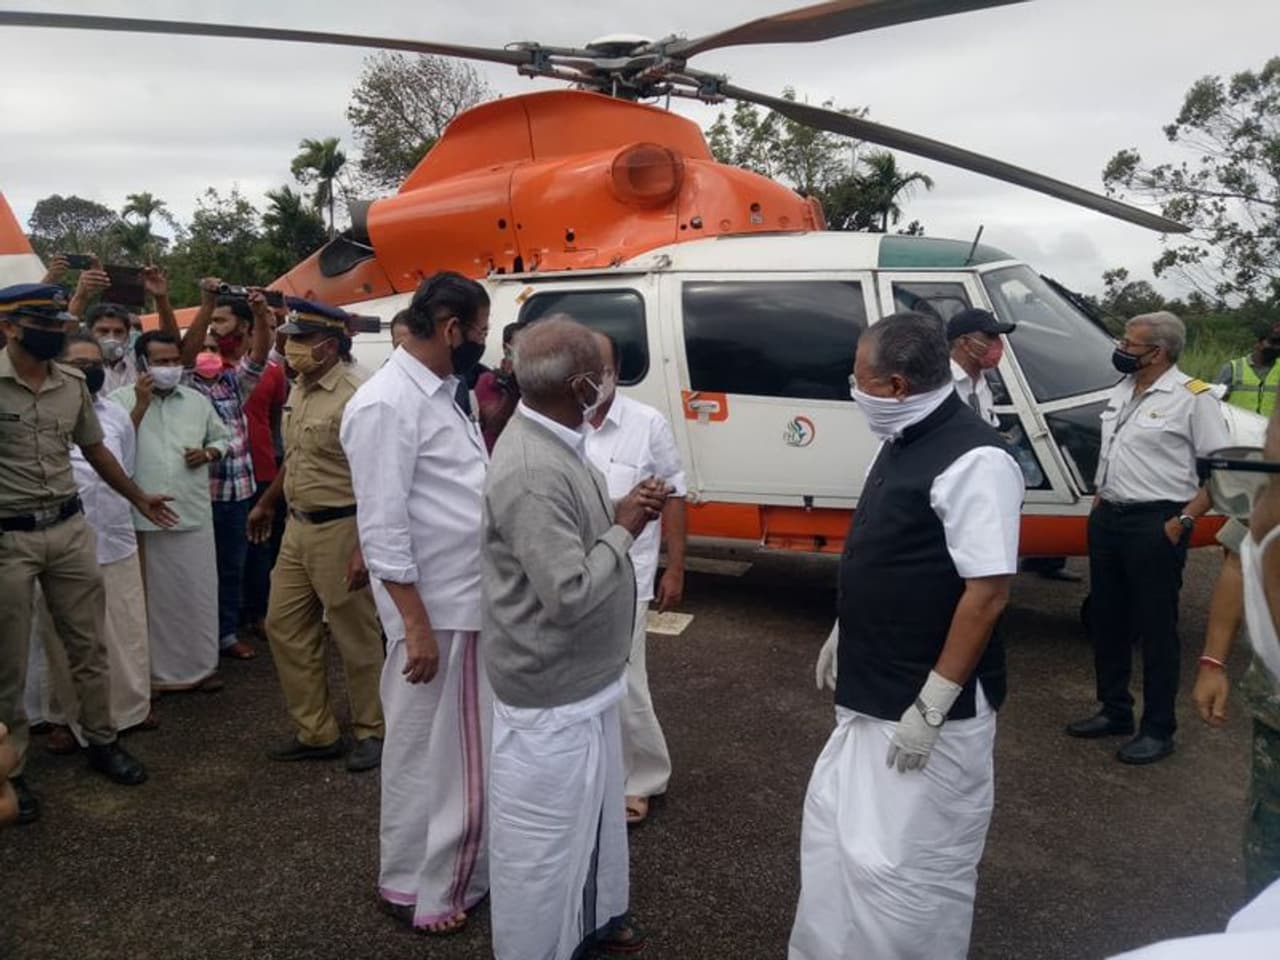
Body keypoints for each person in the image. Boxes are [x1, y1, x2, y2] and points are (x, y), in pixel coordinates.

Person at [796, 311, 1023, 960]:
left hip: (928, 716)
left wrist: (932, 705)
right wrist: (849, 622)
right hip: (874, 691)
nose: (853, 388)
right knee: (842, 851)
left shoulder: (976, 460)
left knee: (907, 874)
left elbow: (988, 593)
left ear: (896, 385)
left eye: (859, 378)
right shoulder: (900, 439)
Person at [483, 316, 667, 960]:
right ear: (584, 384)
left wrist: (617, 524)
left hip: (584, 685)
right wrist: (626, 527)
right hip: (550, 695)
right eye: (605, 370)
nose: (610, 382)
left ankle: (593, 920)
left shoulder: (559, 436)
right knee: (542, 845)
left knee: (591, 826)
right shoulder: (534, 468)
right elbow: (567, 596)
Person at [340, 272, 493, 934]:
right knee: (439, 757)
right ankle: (427, 887)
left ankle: (417, 878)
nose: (483, 345)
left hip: (459, 602)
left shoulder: (441, 394)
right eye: (481, 332)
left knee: (436, 754)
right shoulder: (388, 403)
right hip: (439, 612)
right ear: (453, 327)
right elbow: (383, 526)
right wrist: (416, 626)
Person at [1, 284, 178, 825]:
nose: (56, 329)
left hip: (71, 527)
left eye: (58, 320)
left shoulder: (71, 383)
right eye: (44, 322)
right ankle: (12, 773)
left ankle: (102, 743)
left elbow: (96, 449)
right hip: (9, 537)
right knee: (8, 660)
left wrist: (138, 496)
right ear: (11, 327)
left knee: (89, 643)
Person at [1066, 311, 1231, 764]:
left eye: (1129, 343)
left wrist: (1184, 520)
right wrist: (1101, 498)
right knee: (1108, 618)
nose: (1121, 348)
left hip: (1157, 522)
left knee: (1157, 628)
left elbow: (1220, 472)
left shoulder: (1193, 398)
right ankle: (1114, 709)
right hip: (1110, 518)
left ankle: (1159, 728)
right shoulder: (1123, 390)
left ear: (1158, 352)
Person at [250, 298, 385, 773]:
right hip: (298, 527)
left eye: (300, 340)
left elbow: (379, 479)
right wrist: (268, 501)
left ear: (329, 346)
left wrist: (365, 547)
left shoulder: (358, 394)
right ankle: (316, 731)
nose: (289, 347)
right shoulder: (302, 387)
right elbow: (301, 455)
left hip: (342, 528)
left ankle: (373, 730)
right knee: (283, 626)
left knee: (355, 636)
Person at [29, 333, 154, 748]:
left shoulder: (117, 416)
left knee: (123, 629)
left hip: (116, 537)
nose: (90, 370)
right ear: (59, 367)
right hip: (63, 541)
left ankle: (129, 711)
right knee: (65, 635)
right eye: (80, 363)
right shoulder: (41, 413)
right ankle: (66, 719)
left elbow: (125, 470)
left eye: (96, 362)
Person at [584, 330, 687, 826]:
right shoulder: (563, 424)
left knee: (628, 679)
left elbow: (676, 496)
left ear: (616, 371)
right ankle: (600, 770)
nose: (590, 378)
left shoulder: (647, 423)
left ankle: (643, 777)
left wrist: (676, 566)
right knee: (584, 678)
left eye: (600, 368)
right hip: (577, 574)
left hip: (630, 575)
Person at [111, 329, 230, 694]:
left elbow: (222, 438)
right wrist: (141, 405)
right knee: (151, 603)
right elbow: (110, 451)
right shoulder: (118, 401)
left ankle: (201, 667)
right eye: (161, 362)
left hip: (192, 512)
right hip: (144, 517)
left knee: (196, 594)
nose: (170, 368)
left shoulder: (196, 400)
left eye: (175, 361)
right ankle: (156, 676)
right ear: (143, 364)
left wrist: (209, 454)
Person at [182, 283, 270, 660]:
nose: (208, 355)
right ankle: (198, 639)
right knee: (198, 571)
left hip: (237, 493)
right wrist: (207, 305)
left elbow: (260, 354)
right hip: (200, 493)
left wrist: (262, 316)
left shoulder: (235, 383)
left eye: (214, 350)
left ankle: (226, 633)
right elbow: (186, 353)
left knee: (232, 567)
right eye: (203, 349)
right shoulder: (185, 387)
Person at [240, 313, 289, 642]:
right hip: (225, 470)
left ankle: (259, 612)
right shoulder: (211, 370)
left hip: (262, 464)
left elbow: (273, 418)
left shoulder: (274, 372)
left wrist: (274, 455)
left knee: (261, 543)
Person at [945, 307, 1012, 428]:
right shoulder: (938, 383)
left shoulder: (986, 385)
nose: (998, 344)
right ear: (965, 342)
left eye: (997, 337)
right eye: (990, 336)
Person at [1216, 319, 1280, 417]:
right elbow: (1215, 401)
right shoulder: (1232, 368)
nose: (1276, 347)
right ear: (1258, 343)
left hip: (1272, 431)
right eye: (1273, 342)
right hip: (1239, 429)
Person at [474, 322, 521, 452]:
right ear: (507, 349)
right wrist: (512, 385)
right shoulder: (488, 380)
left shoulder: (537, 380)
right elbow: (494, 425)